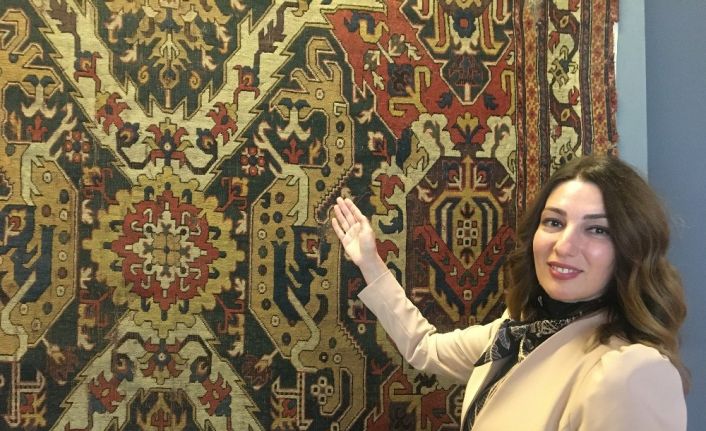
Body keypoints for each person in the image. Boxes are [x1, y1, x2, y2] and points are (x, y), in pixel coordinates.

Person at [331, 154, 688, 430]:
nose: (564, 245)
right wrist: (370, 263)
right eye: (554, 222)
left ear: (631, 247)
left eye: (597, 230)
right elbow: (425, 349)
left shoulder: (631, 372)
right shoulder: (516, 329)